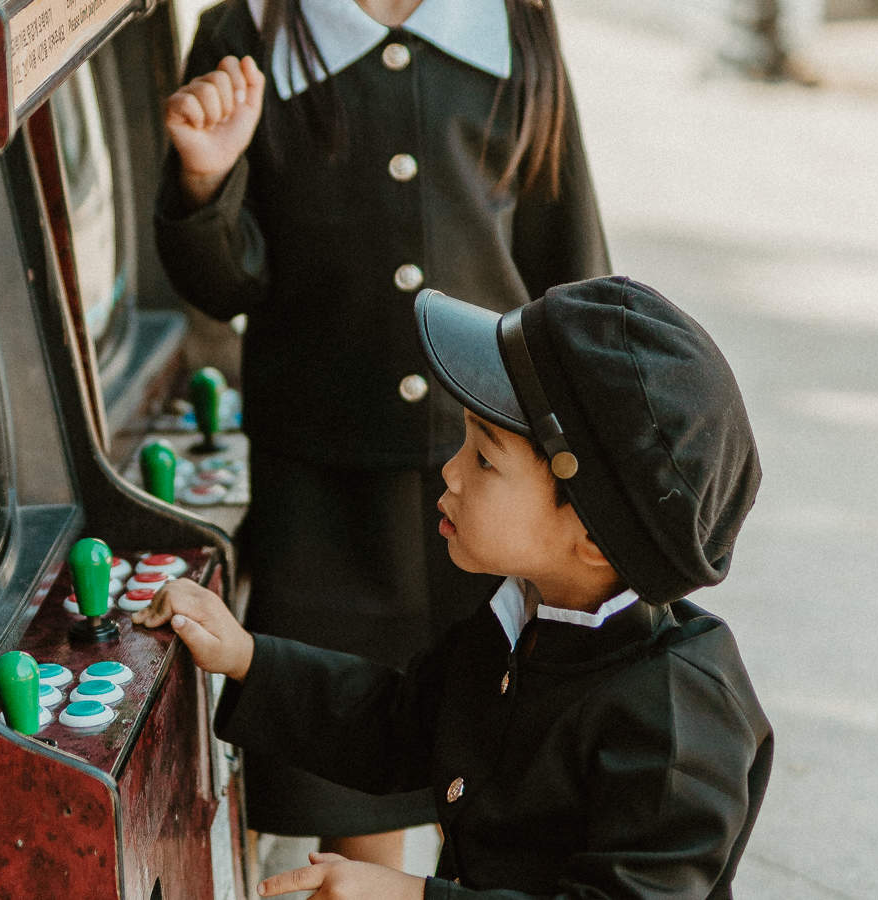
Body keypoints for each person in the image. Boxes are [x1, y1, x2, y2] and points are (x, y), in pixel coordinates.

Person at [135, 275, 772, 898]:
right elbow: (400, 723)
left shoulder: (676, 721)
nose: (451, 471)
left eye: (485, 459)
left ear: (594, 537)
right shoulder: (522, 615)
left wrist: (411, 896)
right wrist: (244, 657)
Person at [153, 0, 610, 867]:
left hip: (498, 470)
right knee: (351, 774)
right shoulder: (245, 34)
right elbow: (226, 282)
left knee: (511, 761)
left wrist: (589, 454)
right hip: (325, 488)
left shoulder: (511, 22)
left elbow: (566, 249)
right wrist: (206, 183)